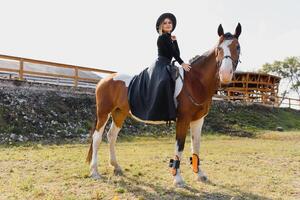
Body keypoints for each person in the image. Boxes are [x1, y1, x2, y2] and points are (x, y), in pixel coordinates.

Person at [128, 12, 191, 122]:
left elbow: (176, 52)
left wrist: (175, 42)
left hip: (167, 63)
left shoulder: (169, 38)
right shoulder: (162, 37)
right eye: (165, 23)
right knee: (164, 80)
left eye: (169, 23)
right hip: (160, 63)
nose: (168, 24)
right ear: (161, 26)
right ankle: (160, 109)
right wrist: (182, 63)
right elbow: (173, 53)